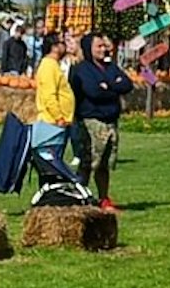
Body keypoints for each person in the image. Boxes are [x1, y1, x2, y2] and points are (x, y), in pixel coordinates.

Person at [68, 32, 132, 211]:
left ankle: (104, 198)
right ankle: (81, 197)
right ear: (89, 48)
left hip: (111, 120)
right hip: (91, 121)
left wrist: (108, 86)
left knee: (104, 164)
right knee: (88, 162)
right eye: (99, 46)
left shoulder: (110, 67)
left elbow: (127, 84)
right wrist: (113, 88)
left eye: (105, 46)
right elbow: (93, 92)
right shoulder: (82, 69)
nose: (104, 49)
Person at [30, 32, 73, 160]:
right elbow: (49, 96)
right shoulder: (48, 66)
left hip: (56, 122)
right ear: (54, 47)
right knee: (51, 162)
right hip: (52, 123)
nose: (65, 47)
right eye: (62, 43)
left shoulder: (54, 65)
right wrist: (59, 117)